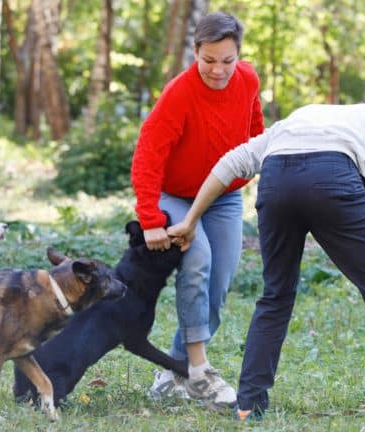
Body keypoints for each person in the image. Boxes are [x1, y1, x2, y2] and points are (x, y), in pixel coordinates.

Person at [166, 100, 365, 427]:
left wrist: (191, 219)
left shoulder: (305, 116)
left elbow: (231, 162)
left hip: (276, 179)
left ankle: (248, 406)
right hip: (332, 176)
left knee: (275, 297)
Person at [130, 11, 264, 408]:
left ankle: (174, 373)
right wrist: (151, 219)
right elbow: (148, 155)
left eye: (228, 60)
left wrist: (258, 164)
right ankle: (200, 372)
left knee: (219, 284)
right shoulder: (180, 92)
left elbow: (255, 125)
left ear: (239, 54)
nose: (219, 70)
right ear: (195, 52)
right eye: (209, 61)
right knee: (198, 260)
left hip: (222, 196)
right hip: (175, 195)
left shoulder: (249, 78)